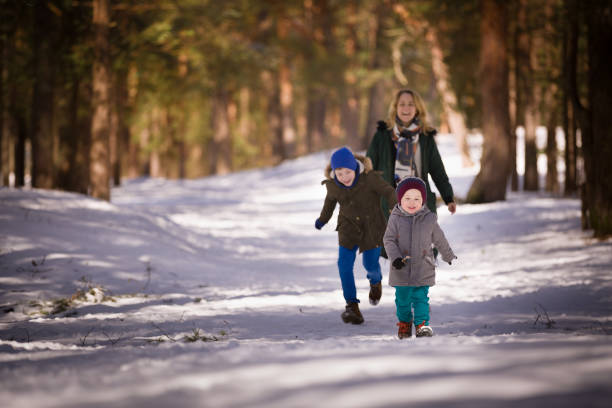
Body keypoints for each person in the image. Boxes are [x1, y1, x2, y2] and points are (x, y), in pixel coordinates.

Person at [315, 146, 397, 324]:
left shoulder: (370, 179)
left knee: (370, 264)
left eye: (347, 172)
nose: (344, 177)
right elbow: (329, 205)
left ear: (355, 168)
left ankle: (376, 282)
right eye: (339, 173)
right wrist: (322, 220)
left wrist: (394, 207)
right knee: (343, 266)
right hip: (348, 229)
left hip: (372, 227)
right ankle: (352, 306)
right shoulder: (333, 187)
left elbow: (389, 192)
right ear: (334, 172)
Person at [383, 177, 456, 338]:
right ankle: (405, 323)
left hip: (423, 267)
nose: (412, 202)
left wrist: (448, 254)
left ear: (423, 200)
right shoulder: (395, 218)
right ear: (400, 199)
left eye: (417, 198)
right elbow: (388, 240)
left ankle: (422, 325)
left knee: (421, 298)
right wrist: (395, 258)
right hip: (401, 268)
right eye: (407, 198)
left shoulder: (429, 219)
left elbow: (439, 239)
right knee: (402, 300)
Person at [367, 89, 457, 220]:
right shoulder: (382, 135)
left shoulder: (426, 137)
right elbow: (368, 169)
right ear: (395, 108)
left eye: (411, 104)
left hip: (420, 205)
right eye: (402, 104)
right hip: (389, 208)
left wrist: (448, 197)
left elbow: (438, 171)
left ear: (417, 108)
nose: (406, 108)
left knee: (419, 241)